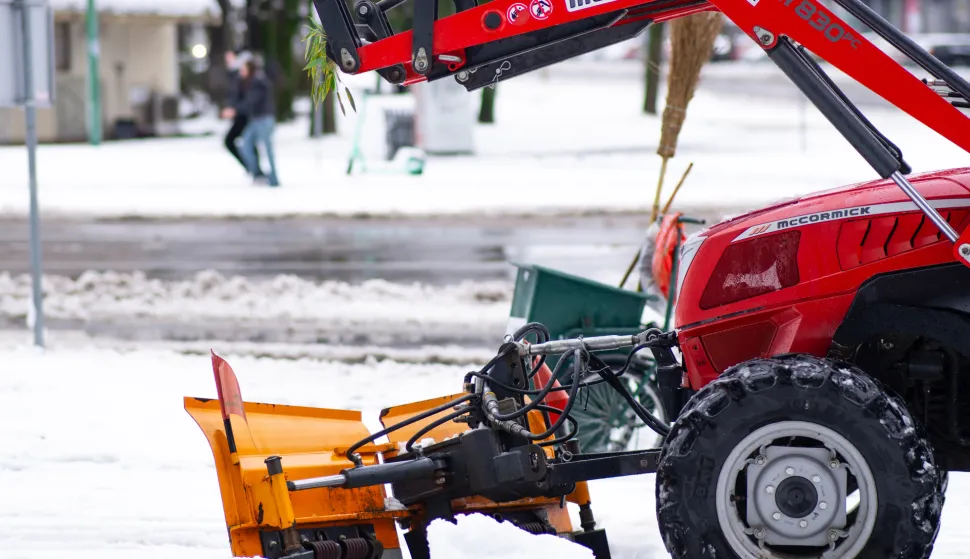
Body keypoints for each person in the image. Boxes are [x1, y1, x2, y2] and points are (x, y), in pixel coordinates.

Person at [235, 56, 280, 187]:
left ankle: (274, 179)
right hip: (255, 119)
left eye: (243, 69)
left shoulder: (258, 82)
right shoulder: (248, 82)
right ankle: (257, 173)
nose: (241, 72)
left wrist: (235, 109)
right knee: (245, 145)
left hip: (264, 119)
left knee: (267, 149)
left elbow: (252, 100)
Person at [221, 50, 265, 179]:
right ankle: (253, 169)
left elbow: (249, 99)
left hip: (247, 116)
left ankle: (255, 170)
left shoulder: (253, 81)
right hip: (240, 115)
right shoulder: (239, 78)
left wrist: (235, 109)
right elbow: (233, 91)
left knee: (247, 142)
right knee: (246, 143)